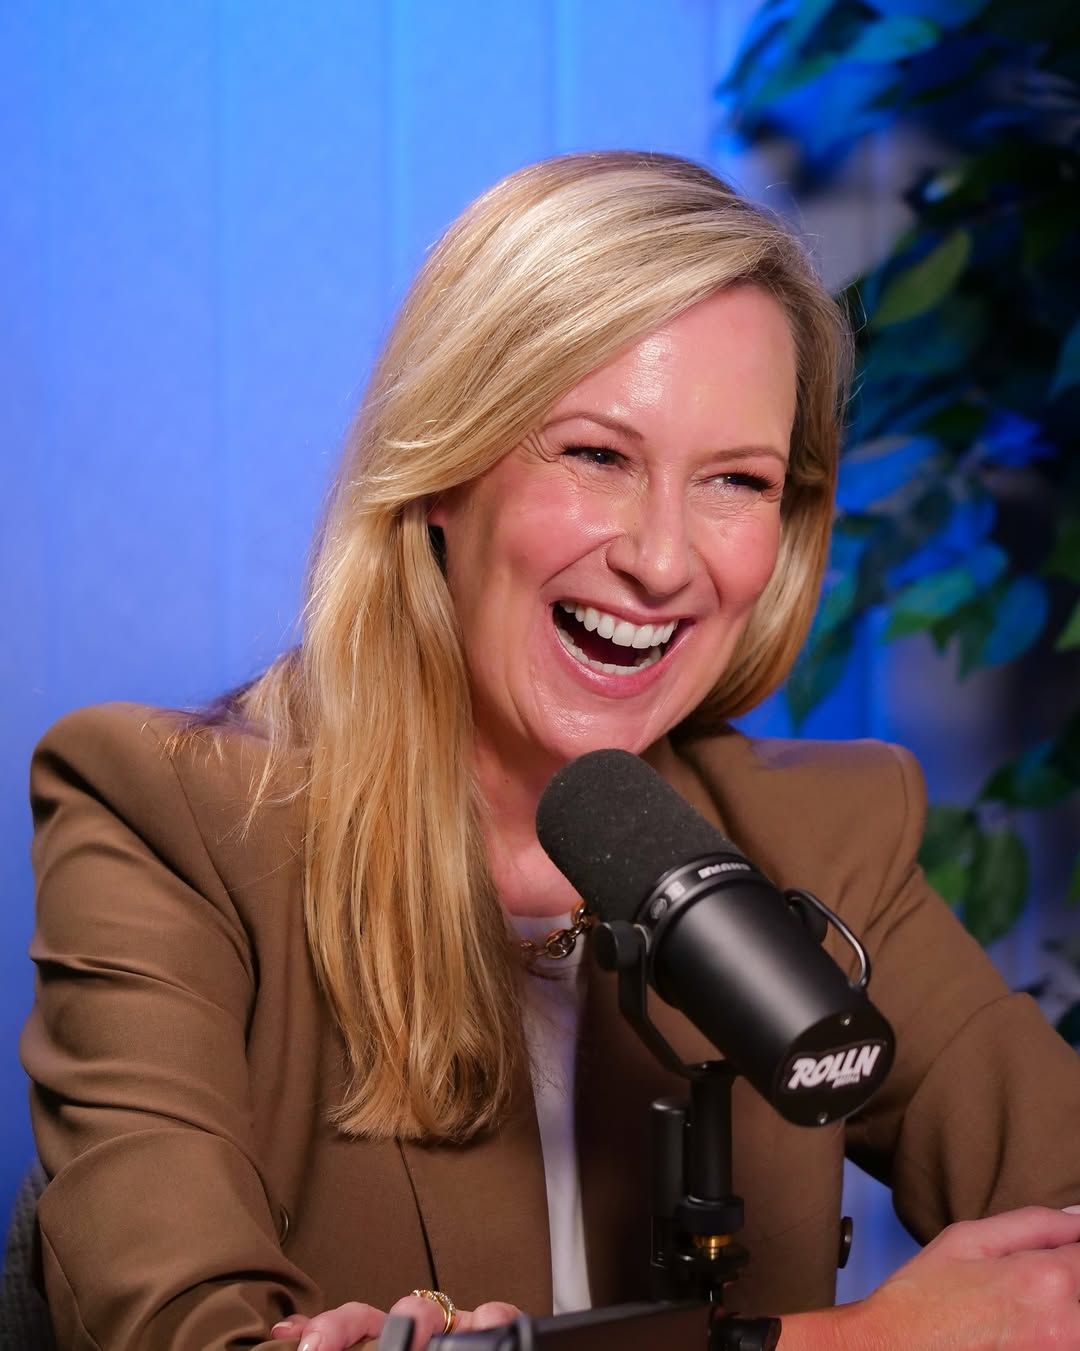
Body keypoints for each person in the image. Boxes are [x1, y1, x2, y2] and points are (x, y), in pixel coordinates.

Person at [21, 152, 1080, 1351]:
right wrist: (857, 1342)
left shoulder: (825, 834)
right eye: (595, 456)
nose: (663, 560)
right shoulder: (168, 820)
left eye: (736, 480)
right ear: (440, 469)